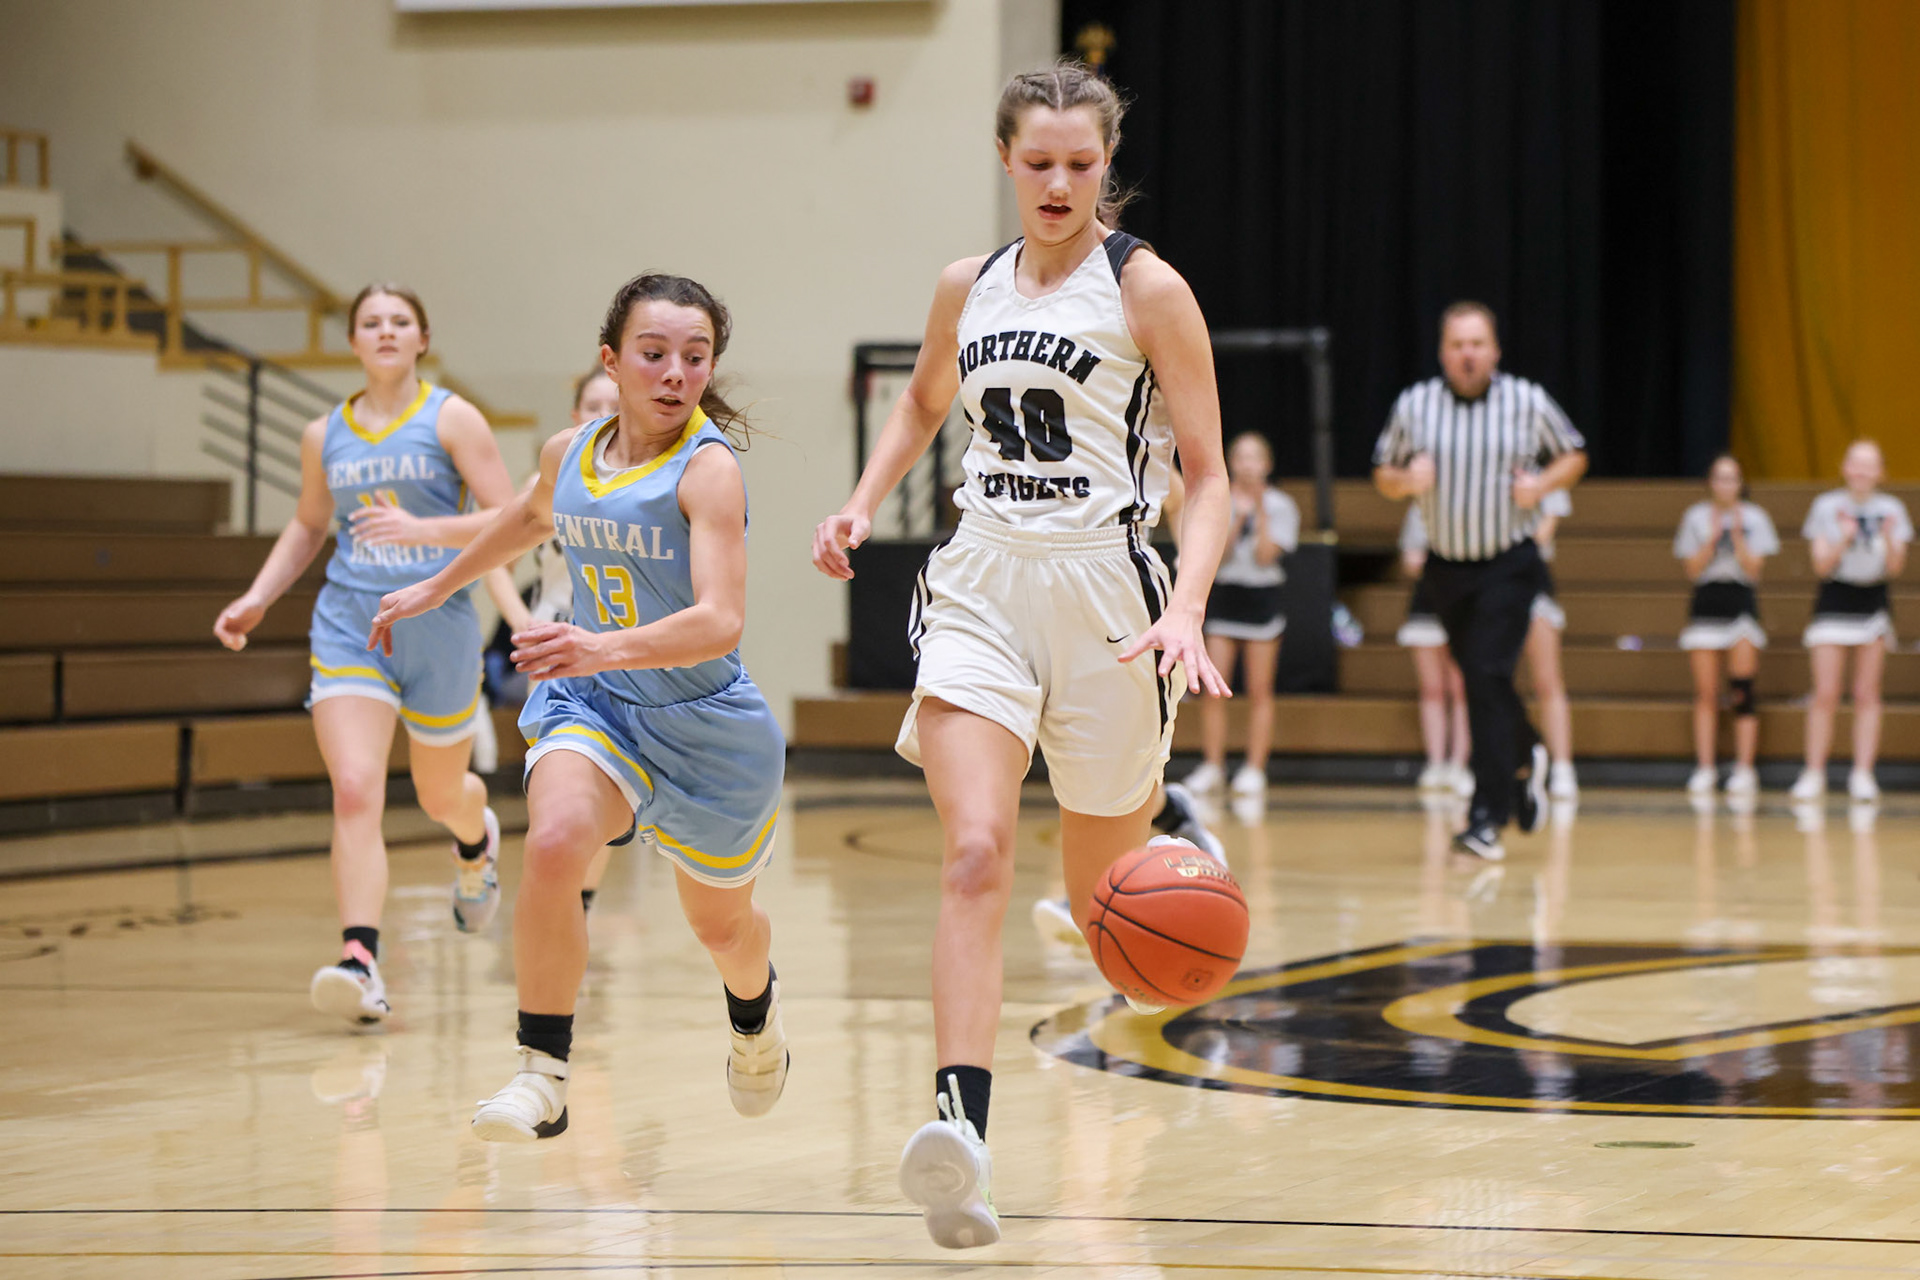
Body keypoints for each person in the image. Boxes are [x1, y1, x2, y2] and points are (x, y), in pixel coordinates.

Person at [811, 62, 1232, 1249]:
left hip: (1110, 600)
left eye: (1080, 164)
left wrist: (1188, 607)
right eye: (1037, 162)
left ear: (1107, 166)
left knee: (1114, 924)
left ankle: (1166, 846)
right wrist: (860, 501)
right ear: (1005, 158)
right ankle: (964, 1136)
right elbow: (921, 402)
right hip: (983, 580)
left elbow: (1210, 476)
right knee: (975, 853)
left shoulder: (1148, 290)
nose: (1057, 183)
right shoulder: (969, 285)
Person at [370, 272, 790, 1140]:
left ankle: (755, 1018)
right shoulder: (570, 453)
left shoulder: (708, 470)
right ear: (611, 359)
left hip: (705, 724)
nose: (675, 372)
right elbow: (527, 519)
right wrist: (436, 585)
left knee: (723, 930)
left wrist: (597, 645)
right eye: (654, 353)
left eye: (695, 357)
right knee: (557, 840)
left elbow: (721, 621)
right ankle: (543, 1073)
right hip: (596, 707)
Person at [213, 283, 515, 1026]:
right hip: (351, 627)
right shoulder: (323, 434)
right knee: (354, 788)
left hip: (438, 626)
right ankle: (360, 959)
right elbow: (309, 525)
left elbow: (513, 518)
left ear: (422, 338)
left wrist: (424, 531)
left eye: (400, 321)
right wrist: (258, 596)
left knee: (440, 797)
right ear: (352, 341)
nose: (385, 331)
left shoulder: (453, 418)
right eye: (371, 322)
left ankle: (474, 842)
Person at [1373, 301, 1587, 861]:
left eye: (1477, 344)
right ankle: (1527, 751)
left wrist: (1540, 486)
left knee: (1486, 674)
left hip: (1509, 562)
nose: (1467, 354)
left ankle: (1486, 817)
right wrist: (1405, 481)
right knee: (1480, 679)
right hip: (1445, 566)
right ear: (1443, 353)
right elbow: (1383, 473)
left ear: (1495, 351)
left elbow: (1573, 454)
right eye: (1457, 344)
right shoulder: (1416, 404)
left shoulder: (1526, 399)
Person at [483, 366, 623, 911]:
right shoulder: (547, 480)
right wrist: (522, 622)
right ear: (574, 415)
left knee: (611, 789)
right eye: (593, 406)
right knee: (557, 787)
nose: (603, 415)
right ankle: (561, 900)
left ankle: (579, 903)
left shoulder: (651, 479)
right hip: (553, 648)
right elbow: (494, 561)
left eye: (614, 405)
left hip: (620, 652)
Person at [1181, 431, 1299, 800]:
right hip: (1224, 596)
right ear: (1231, 462)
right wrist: (1236, 518)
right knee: (1214, 689)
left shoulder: (1281, 505)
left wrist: (1259, 511)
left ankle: (1254, 769)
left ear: (1268, 464)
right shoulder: (1218, 501)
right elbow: (1218, 555)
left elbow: (1265, 556)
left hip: (1262, 599)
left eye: (1255, 458)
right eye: (1241, 457)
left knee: (1260, 690)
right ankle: (1213, 766)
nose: (1248, 465)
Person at [1792, 439, 1911, 804]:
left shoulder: (1892, 509)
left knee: (1867, 693)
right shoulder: (1826, 506)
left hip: (1873, 600)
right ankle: (1814, 772)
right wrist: (1843, 538)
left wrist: (1889, 539)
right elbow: (1820, 566)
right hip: (1834, 599)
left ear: (1881, 472)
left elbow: (1895, 568)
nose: (1861, 471)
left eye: (1869, 464)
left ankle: (1863, 773)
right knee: (1825, 693)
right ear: (1844, 467)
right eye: (1855, 463)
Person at [1674, 454, 1779, 797]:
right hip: (1706, 601)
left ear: (1740, 483)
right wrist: (1712, 538)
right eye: (1720, 478)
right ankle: (1705, 767)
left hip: (1740, 601)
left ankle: (1744, 769)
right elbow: (1692, 570)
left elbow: (1755, 569)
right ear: (1710, 482)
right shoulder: (1695, 517)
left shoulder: (1755, 517)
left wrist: (1736, 537)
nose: (1726, 485)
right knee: (1706, 693)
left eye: (1732, 478)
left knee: (1742, 689)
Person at [1398, 505, 1473, 798]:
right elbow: (1411, 562)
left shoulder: (1474, 506)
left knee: (1461, 688)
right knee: (1432, 689)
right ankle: (1435, 763)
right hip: (1427, 605)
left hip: (1464, 605)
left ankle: (1459, 764)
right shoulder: (1419, 510)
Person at [1524, 487, 1577, 800]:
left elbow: (1541, 535)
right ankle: (1481, 765)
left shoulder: (1548, 481)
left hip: (1530, 577)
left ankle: (1562, 767)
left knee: (1548, 681)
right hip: (1488, 580)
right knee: (1487, 679)